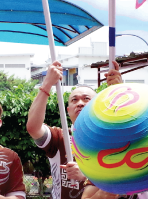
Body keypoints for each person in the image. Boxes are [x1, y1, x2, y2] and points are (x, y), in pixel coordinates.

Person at [25, 60, 124, 199]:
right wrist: (47, 83)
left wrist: (119, 91)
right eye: (74, 100)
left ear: (97, 105)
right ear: (68, 110)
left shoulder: (110, 138)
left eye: (86, 99)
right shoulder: (59, 137)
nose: (80, 103)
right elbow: (33, 127)